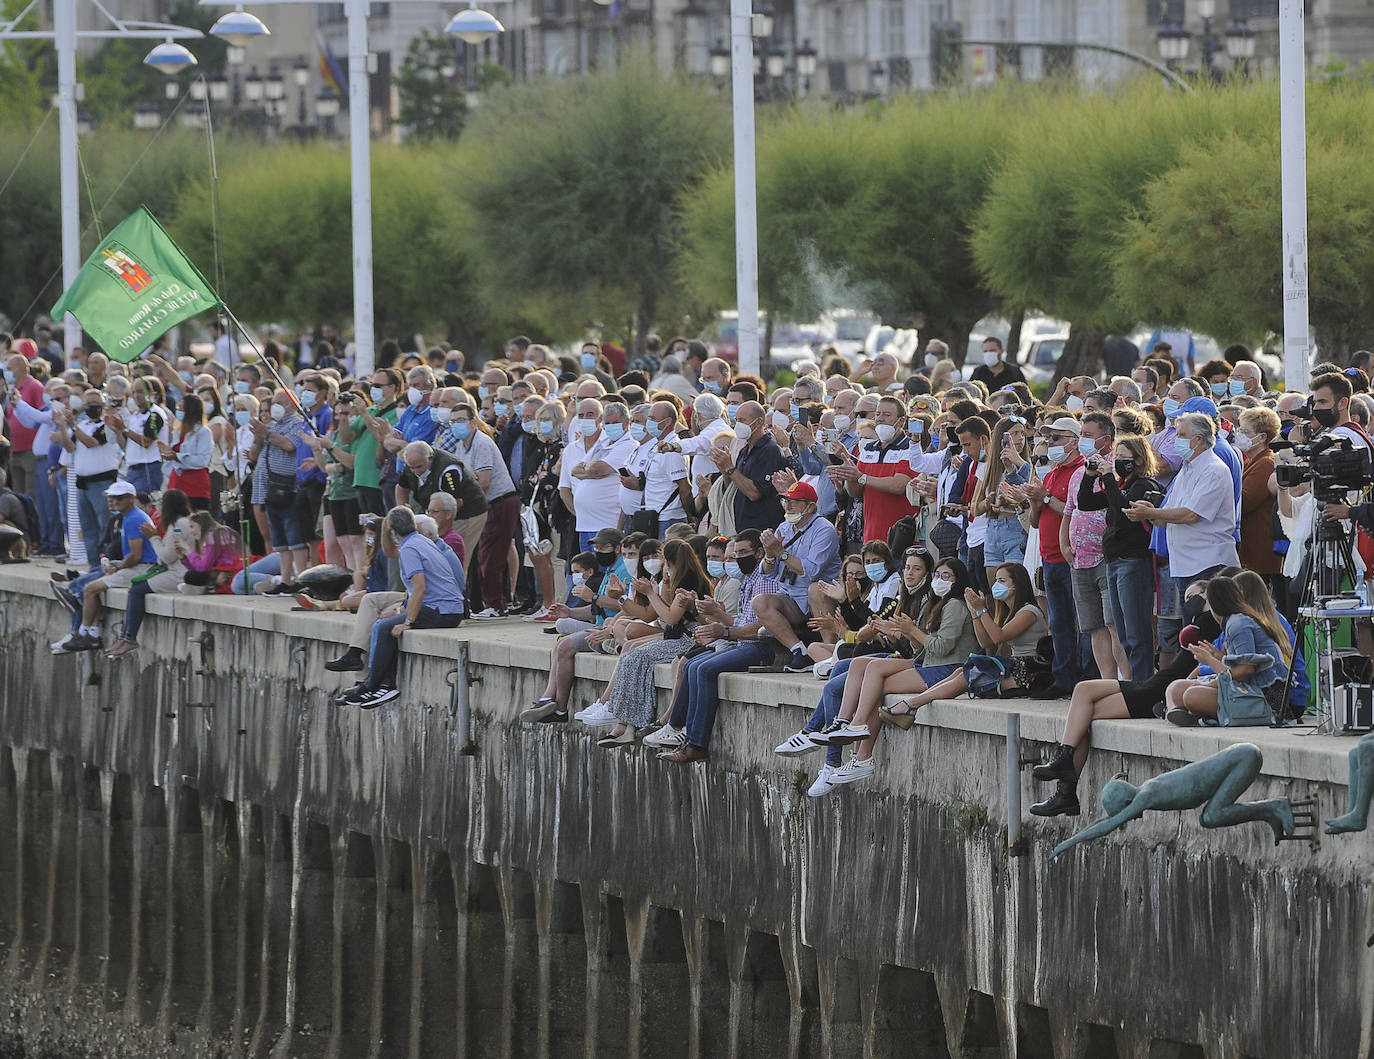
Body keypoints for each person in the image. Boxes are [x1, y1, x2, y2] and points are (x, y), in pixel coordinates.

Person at [808, 557, 979, 786]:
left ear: (958, 580)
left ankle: (860, 749)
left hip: (945, 669)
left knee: (875, 680)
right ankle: (849, 730)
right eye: (937, 575)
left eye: (946, 576)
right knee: (864, 666)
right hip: (928, 662)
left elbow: (941, 647)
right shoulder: (936, 603)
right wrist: (907, 633)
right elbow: (919, 649)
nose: (939, 580)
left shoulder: (955, 605)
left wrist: (910, 631)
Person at [653, 532, 783, 763]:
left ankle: (696, 744)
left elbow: (763, 629)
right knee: (690, 666)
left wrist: (723, 631)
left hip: (763, 648)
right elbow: (740, 622)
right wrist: (716, 614)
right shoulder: (748, 580)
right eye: (734, 555)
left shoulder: (764, 580)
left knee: (703, 669)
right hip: (742, 643)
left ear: (759, 553)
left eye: (742, 553)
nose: (737, 559)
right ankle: (682, 732)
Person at [880, 561, 1046, 726]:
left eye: (1002, 581)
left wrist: (981, 610)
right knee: (961, 671)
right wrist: (975, 614)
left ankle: (911, 705)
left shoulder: (1028, 611)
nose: (996, 585)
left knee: (967, 676)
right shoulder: (1011, 612)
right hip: (1016, 666)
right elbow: (987, 643)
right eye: (996, 580)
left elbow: (998, 637)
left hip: (1028, 671)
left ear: (1017, 585)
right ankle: (911, 704)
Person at [587, 538, 715, 747]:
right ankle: (620, 718)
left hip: (689, 636)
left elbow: (670, 617)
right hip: (678, 633)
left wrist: (649, 593)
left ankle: (631, 718)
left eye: (665, 562)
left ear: (670, 561)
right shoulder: (676, 579)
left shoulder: (689, 581)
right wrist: (664, 584)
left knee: (637, 656)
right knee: (630, 652)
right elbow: (663, 610)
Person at [339, 506, 464, 708]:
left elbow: (420, 588)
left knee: (383, 627)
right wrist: (385, 530)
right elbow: (390, 552)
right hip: (449, 609)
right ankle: (383, 685)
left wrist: (408, 621)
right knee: (386, 625)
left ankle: (373, 685)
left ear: (393, 531)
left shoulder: (409, 549)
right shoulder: (420, 540)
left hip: (442, 611)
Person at [1072, 433, 1164, 682]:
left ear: (1139, 459)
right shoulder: (1122, 486)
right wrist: (1090, 476)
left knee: (1136, 630)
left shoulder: (1144, 485)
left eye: (1124, 457)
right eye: (1117, 457)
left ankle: (1143, 683)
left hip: (1133, 561)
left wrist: (1108, 478)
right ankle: (1135, 682)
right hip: (1114, 562)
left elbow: (1124, 511)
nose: (1119, 462)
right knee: (1123, 631)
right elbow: (1085, 503)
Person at [1127, 412, 1238, 617]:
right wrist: (1149, 513)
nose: (1176, 440)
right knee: (1190, 629)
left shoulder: (1213, 470)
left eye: (1181, 435)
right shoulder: (1186, 470)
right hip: (1184, 564)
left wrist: (1151, 512)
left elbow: (1191, 515)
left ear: (1198, 440)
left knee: (1204, 627)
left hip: (1207, 563)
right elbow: (1167, 518)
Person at [1164, 576, 1291, 726]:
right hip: (1245, 688)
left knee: (1192, 695)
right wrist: (1218, 657)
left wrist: (1210, 661)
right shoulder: (1234, 621)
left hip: (1265, 697)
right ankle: (1185, 713)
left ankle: (1200, 715)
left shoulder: (1238, 624)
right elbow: (1239, 664)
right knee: (1176, 688)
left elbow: (1246, 670)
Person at [748, 481, 842, 673]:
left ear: (810, 507)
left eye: (794, 502)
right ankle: (799, 651)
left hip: (821, 598)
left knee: (816, 588)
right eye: (786, 501)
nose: (788, 506)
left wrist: (780, 552)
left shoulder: (824, 529)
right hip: (791, 596)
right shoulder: (783, 528)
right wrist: (769, 555)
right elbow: (768, 573)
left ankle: (828, 652)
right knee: (760, 601)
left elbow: (812, 572)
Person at [51, 481, 155, 652]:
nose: (114, 501)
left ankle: (86, 634)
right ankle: (91, 632)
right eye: (111, 497)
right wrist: (117, 564)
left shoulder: (133, 519)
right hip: (139, 565)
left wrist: (118, 567)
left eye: (119, 498)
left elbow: (136, 556)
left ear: (131, 499)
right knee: (93, 585)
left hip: (143, 568)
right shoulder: (129, 516)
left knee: (90, 589)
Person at [1024, 416, 1085, 698]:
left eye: (1057, 438)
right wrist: (1034, 500)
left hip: (1072, 558)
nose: (1051, 443)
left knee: (1081, 622)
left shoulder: (1080, 471)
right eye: (1049, 438)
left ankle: (1085, 677)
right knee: (1059, 623)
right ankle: (1063, 678)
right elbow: (1036, 522)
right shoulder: (1051, 473)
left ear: (1074, 441)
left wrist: (1045, 497)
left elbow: (1075, 512)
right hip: (1049, 557)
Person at [711, 400, 785, 534]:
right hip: (742, 527)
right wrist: (725, 472)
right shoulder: (745, 450)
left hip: (762, 529)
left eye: (742, 420)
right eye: (737, 420)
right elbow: (736, 487)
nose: (738, 425)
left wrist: (730, 468)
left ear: (758, 422)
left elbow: (754, 493)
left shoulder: (770, 451)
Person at [1235, 406, 1282, 580]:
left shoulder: (1266, 463)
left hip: (1260, 550)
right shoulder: (1252, 461)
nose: (1239, 435)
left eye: (1245, 432)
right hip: (1252, 548)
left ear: (1262, 437)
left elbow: (1245, 501)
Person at [161, 392, 214, 510]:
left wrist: (177, 456)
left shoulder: (203, 432)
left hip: (195, 486)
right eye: (178, 407)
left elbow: (202, 460)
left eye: (182, 408)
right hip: (176, 483)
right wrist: (167, 451)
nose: (179, 411)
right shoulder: (178, 432)